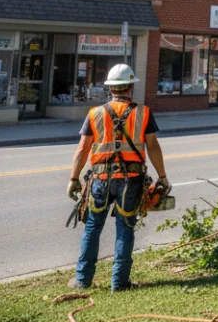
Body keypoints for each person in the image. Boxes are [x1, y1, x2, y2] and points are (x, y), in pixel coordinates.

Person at [67, 63, 169, 291]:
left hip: (100, 179)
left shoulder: (95, 114)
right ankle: (120, 282)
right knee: (125, 226)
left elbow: (82, 149)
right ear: (130, 87)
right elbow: (152, 146)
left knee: (93, 227)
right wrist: (162, 176)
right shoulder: (143, 113)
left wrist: (73, 178)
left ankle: (83, 280)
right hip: (131, 180)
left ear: (110, 88)